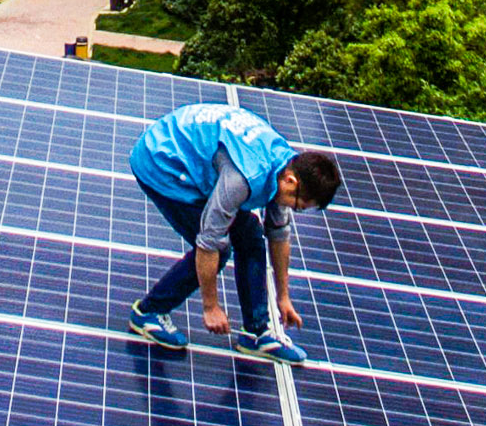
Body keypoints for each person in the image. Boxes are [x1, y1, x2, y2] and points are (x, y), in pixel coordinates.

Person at [123, 101, 342, 363]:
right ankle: (149, 312)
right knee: (221, 246)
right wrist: (210, 307)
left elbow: (278, 232)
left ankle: (256, 332)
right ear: (291, 182)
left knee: (251, 236)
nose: (294, 210)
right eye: (297, 205)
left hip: (192, 151)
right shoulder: (244, 177)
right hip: (162, 162)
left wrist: (283, 297)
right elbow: (209, 240)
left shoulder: (286, 164)